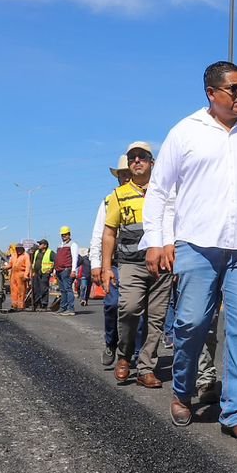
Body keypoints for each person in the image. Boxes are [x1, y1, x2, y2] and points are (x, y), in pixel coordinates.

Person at [141, 61, 237, 440]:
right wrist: (157, 241)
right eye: (233, 88)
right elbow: (159, 190)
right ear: (211, 93)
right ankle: (182, 390)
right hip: (196, 244)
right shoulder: (185, 132)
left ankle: (235, 410)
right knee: (192, 325)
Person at [100, 141, 169, 389]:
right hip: (130, 264)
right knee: (128, 310)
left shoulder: (165, 191)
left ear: (152, 162)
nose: (136, 161)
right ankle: (124, 356)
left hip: (162, 267)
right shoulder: (118, 195)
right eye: (132, 158)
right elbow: (109, 233)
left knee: (157, 319)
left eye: (141, 157)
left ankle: (146, 367)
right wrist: (107, 268)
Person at [91, 154, 133, 366]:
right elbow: (99, 233)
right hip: (114, 263)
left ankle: (133, 351)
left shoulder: (147, 197)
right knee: (112, 304)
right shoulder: (109, 201)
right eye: (122, 175)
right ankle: (111, 342)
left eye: (129, 174)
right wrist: (96, 264)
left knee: (137, 310)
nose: (125, 178)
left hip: (137, 262)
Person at [54, 227, 79, 315]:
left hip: (66, 270)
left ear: (69, 234)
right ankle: (63, 308)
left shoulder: (73, 245)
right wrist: (55, 270)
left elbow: (75, 258)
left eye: (65, 234)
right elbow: (57, 258)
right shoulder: (60, 245)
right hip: (59, 270)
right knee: (63, 290)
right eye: (62, 235)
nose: (64, 236)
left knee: (68, 289)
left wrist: (73, 270)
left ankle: (71, 309)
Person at [7, 243, 30, 311]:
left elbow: (28, 266)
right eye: (17, 248)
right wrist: (4, 267)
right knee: (14, 290)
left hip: (21, 274)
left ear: (22, 249)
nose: (18, 250)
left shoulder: (26, 256)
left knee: (21, 291)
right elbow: (10, 265)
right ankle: (14, 305)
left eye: (20, 248)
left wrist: (26, 275)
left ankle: (20, 306)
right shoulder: (14, 255)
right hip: (13, 275)